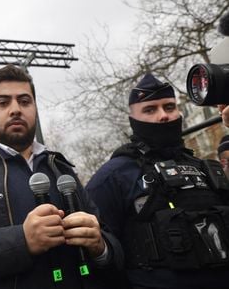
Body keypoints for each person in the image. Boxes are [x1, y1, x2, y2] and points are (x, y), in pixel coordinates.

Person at [0, 64, 123, 289]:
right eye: (3, 102)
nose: (16, 109)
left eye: (25, 101)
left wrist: (100, 247)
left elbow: (114, 251)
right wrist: (21, 241)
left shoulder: (61, 169)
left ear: (35, 108)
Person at [86, 73, 229, 289]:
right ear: (133, 119)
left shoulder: (206, 169)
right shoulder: (112, 177)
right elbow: (98, 257)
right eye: (150, 109)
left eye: (169, 107)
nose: (163, 116)